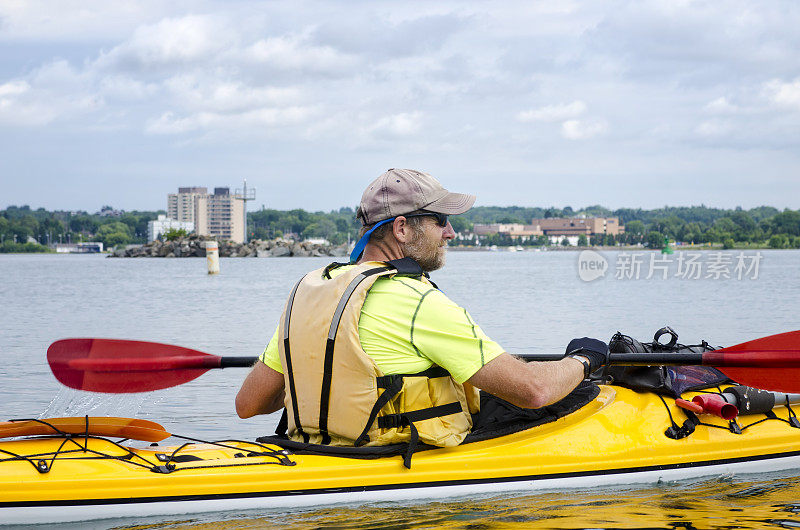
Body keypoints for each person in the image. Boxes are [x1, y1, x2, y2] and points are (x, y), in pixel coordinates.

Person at [236, 168, 608, 455]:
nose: (451, 233)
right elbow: (535, 391)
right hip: (388, 458)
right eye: (441, 220)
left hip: (314, 452)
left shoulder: (313, 293)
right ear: (401, 229)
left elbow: (250, 404)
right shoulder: (418, 301)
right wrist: (585, 358)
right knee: (574, 394)